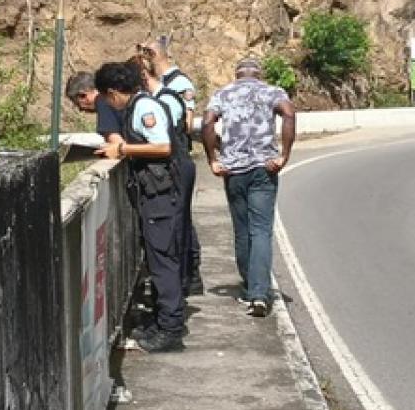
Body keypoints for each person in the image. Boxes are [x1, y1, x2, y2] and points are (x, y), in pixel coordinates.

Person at [93, 62, 186, 352]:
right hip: (154, 193)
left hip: (160, 194)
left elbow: (162, 147)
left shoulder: (145, 108)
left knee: (163, 261)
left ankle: (170, 329)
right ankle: (163, 321)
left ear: (112, 93)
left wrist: (121, 149)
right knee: (158, 259)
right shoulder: (138, 106)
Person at [201, 56, 296, 318]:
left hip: (234, 170)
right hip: (264, 168)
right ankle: (259, 293)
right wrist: (284, 155)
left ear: (237, 74)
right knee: (261, 231)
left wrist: (213, 159)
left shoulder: (222, 94)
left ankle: (248, 284)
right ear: (259, 74)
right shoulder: (272, 92)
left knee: (242, 230)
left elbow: (207, 122)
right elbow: (289, 113)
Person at [128, 55, 201, 297]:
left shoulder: (162, 101)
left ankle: (184, 282)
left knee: (175, 228)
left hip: (176, 166)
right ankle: (185, 279)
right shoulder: (160, 99)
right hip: (176, 165)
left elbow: (168, 140)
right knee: (178, 225)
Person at [65, 71, 124, 145]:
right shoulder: (118, 96)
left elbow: (117, 145)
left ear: (83, 95)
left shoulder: (102, 102)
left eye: (78, 104)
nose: (81, 110)